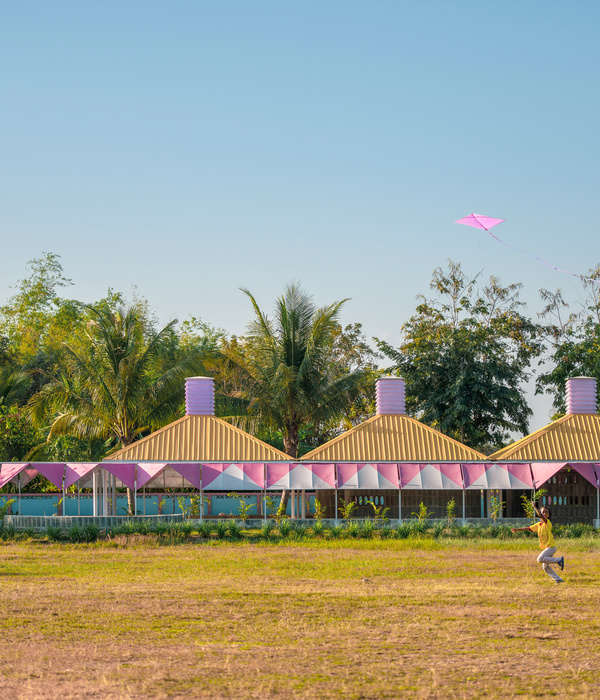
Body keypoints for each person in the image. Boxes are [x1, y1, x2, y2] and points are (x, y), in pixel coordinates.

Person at [512, 503, 565, 584]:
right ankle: (558, 579)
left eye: (546, 512)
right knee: (545, 567)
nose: (545, 514)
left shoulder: (547, 523)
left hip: (551, 547)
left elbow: (540, 515)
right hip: (547, 548)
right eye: (543, 512)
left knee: (540, 559)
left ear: (548, 515)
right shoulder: (538, 525)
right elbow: (529, 528)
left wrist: (534, 507)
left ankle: (559, 560)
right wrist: (517, 530)